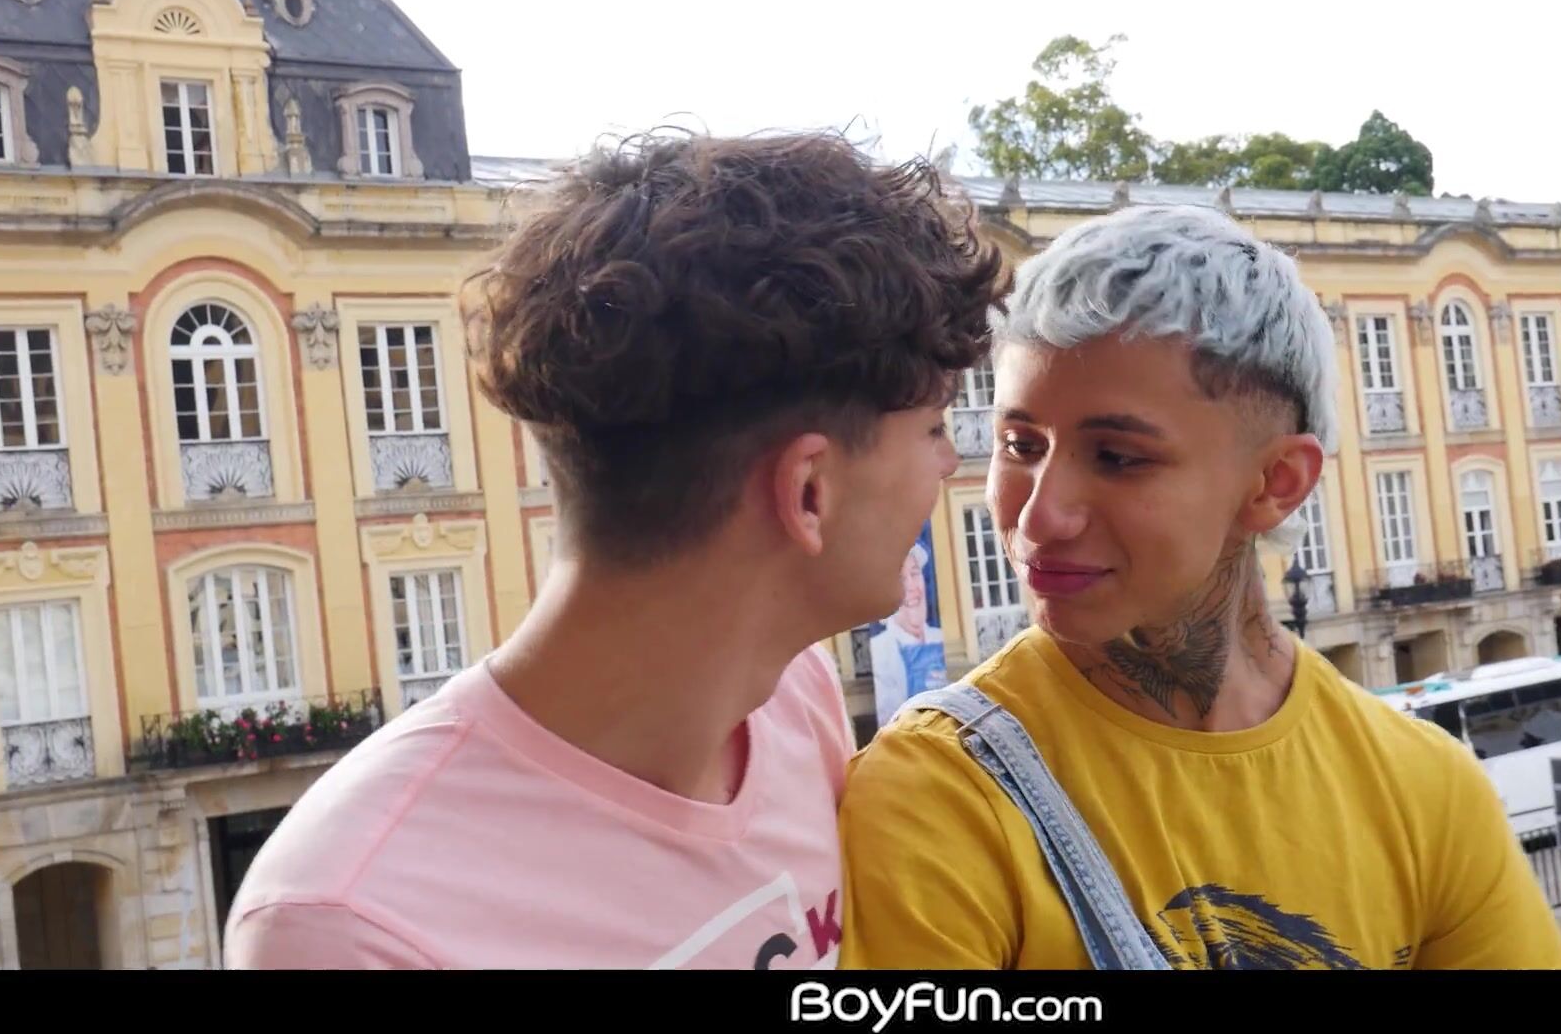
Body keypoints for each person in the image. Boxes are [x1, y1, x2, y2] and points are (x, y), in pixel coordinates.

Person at [222, 131, 1009, 969]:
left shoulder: (794, 697)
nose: (948, 465)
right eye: (933, 428)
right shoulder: (350, 921)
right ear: (809, 491)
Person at [837, 204, 1561, 970]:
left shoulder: (1426, 788)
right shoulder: (940, 793)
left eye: (1117, 457)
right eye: (1020, 444)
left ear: (1276, 482)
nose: (1040, 515)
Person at [870, 541, 948, 725]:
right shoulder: (881, 649)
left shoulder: (937, 638)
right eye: (900, 579)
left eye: (914, 573)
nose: (911, 586)